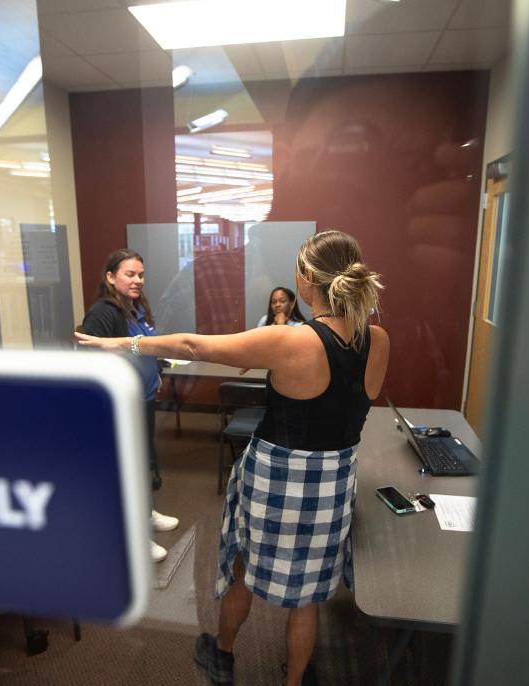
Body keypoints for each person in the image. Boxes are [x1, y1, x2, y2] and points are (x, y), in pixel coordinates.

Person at [76, 231, 389, 686]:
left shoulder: (292, 341)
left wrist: (119, 344)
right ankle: (295, 680)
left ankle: (221, 656)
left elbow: (191, 347)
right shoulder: (377, 340)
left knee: (241, 570)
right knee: (307, 599)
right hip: (335, 479)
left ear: (305, 280)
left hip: (277, 477)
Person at [80, 249, 179, 564]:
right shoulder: (104, 313)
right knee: (128, 470)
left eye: (141, 274)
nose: (138, 280)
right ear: (111, 277)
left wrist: (155, 372)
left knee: (142, 462)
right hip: (123, 407)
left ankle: (145, 513)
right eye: (130, 274)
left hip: (145, 401)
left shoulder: (135, 308)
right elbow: (92, 361)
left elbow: (143, 348)